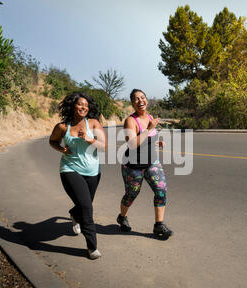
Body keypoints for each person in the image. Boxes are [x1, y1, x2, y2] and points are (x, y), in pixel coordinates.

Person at [49, 92, 107, 259]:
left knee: (83, 205)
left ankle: (74, 215)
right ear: (73, 106)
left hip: (93, 172)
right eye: (81, 104)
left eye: (86, 106)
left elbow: (104, 147)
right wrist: (61, 149)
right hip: (70, 169)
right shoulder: (62, 127)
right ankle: (92, 247)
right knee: (87, 208)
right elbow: (52, 141)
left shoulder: (94, 123)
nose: (84, 107)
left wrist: (89, 139)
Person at [117, 89, 174, 239]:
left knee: (161, 190)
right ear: (132, 103)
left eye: (142, 97)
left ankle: (158, 225)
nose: (140, 100)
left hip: (151, 162)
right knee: (131, 194)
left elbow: (147, 139)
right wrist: (149, 129)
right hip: (133, 166)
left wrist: (157, 142)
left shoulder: (149, 116)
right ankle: (122, 217)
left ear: (146, 100)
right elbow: (132, 144)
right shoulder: (130, 121)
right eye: (136, 99)